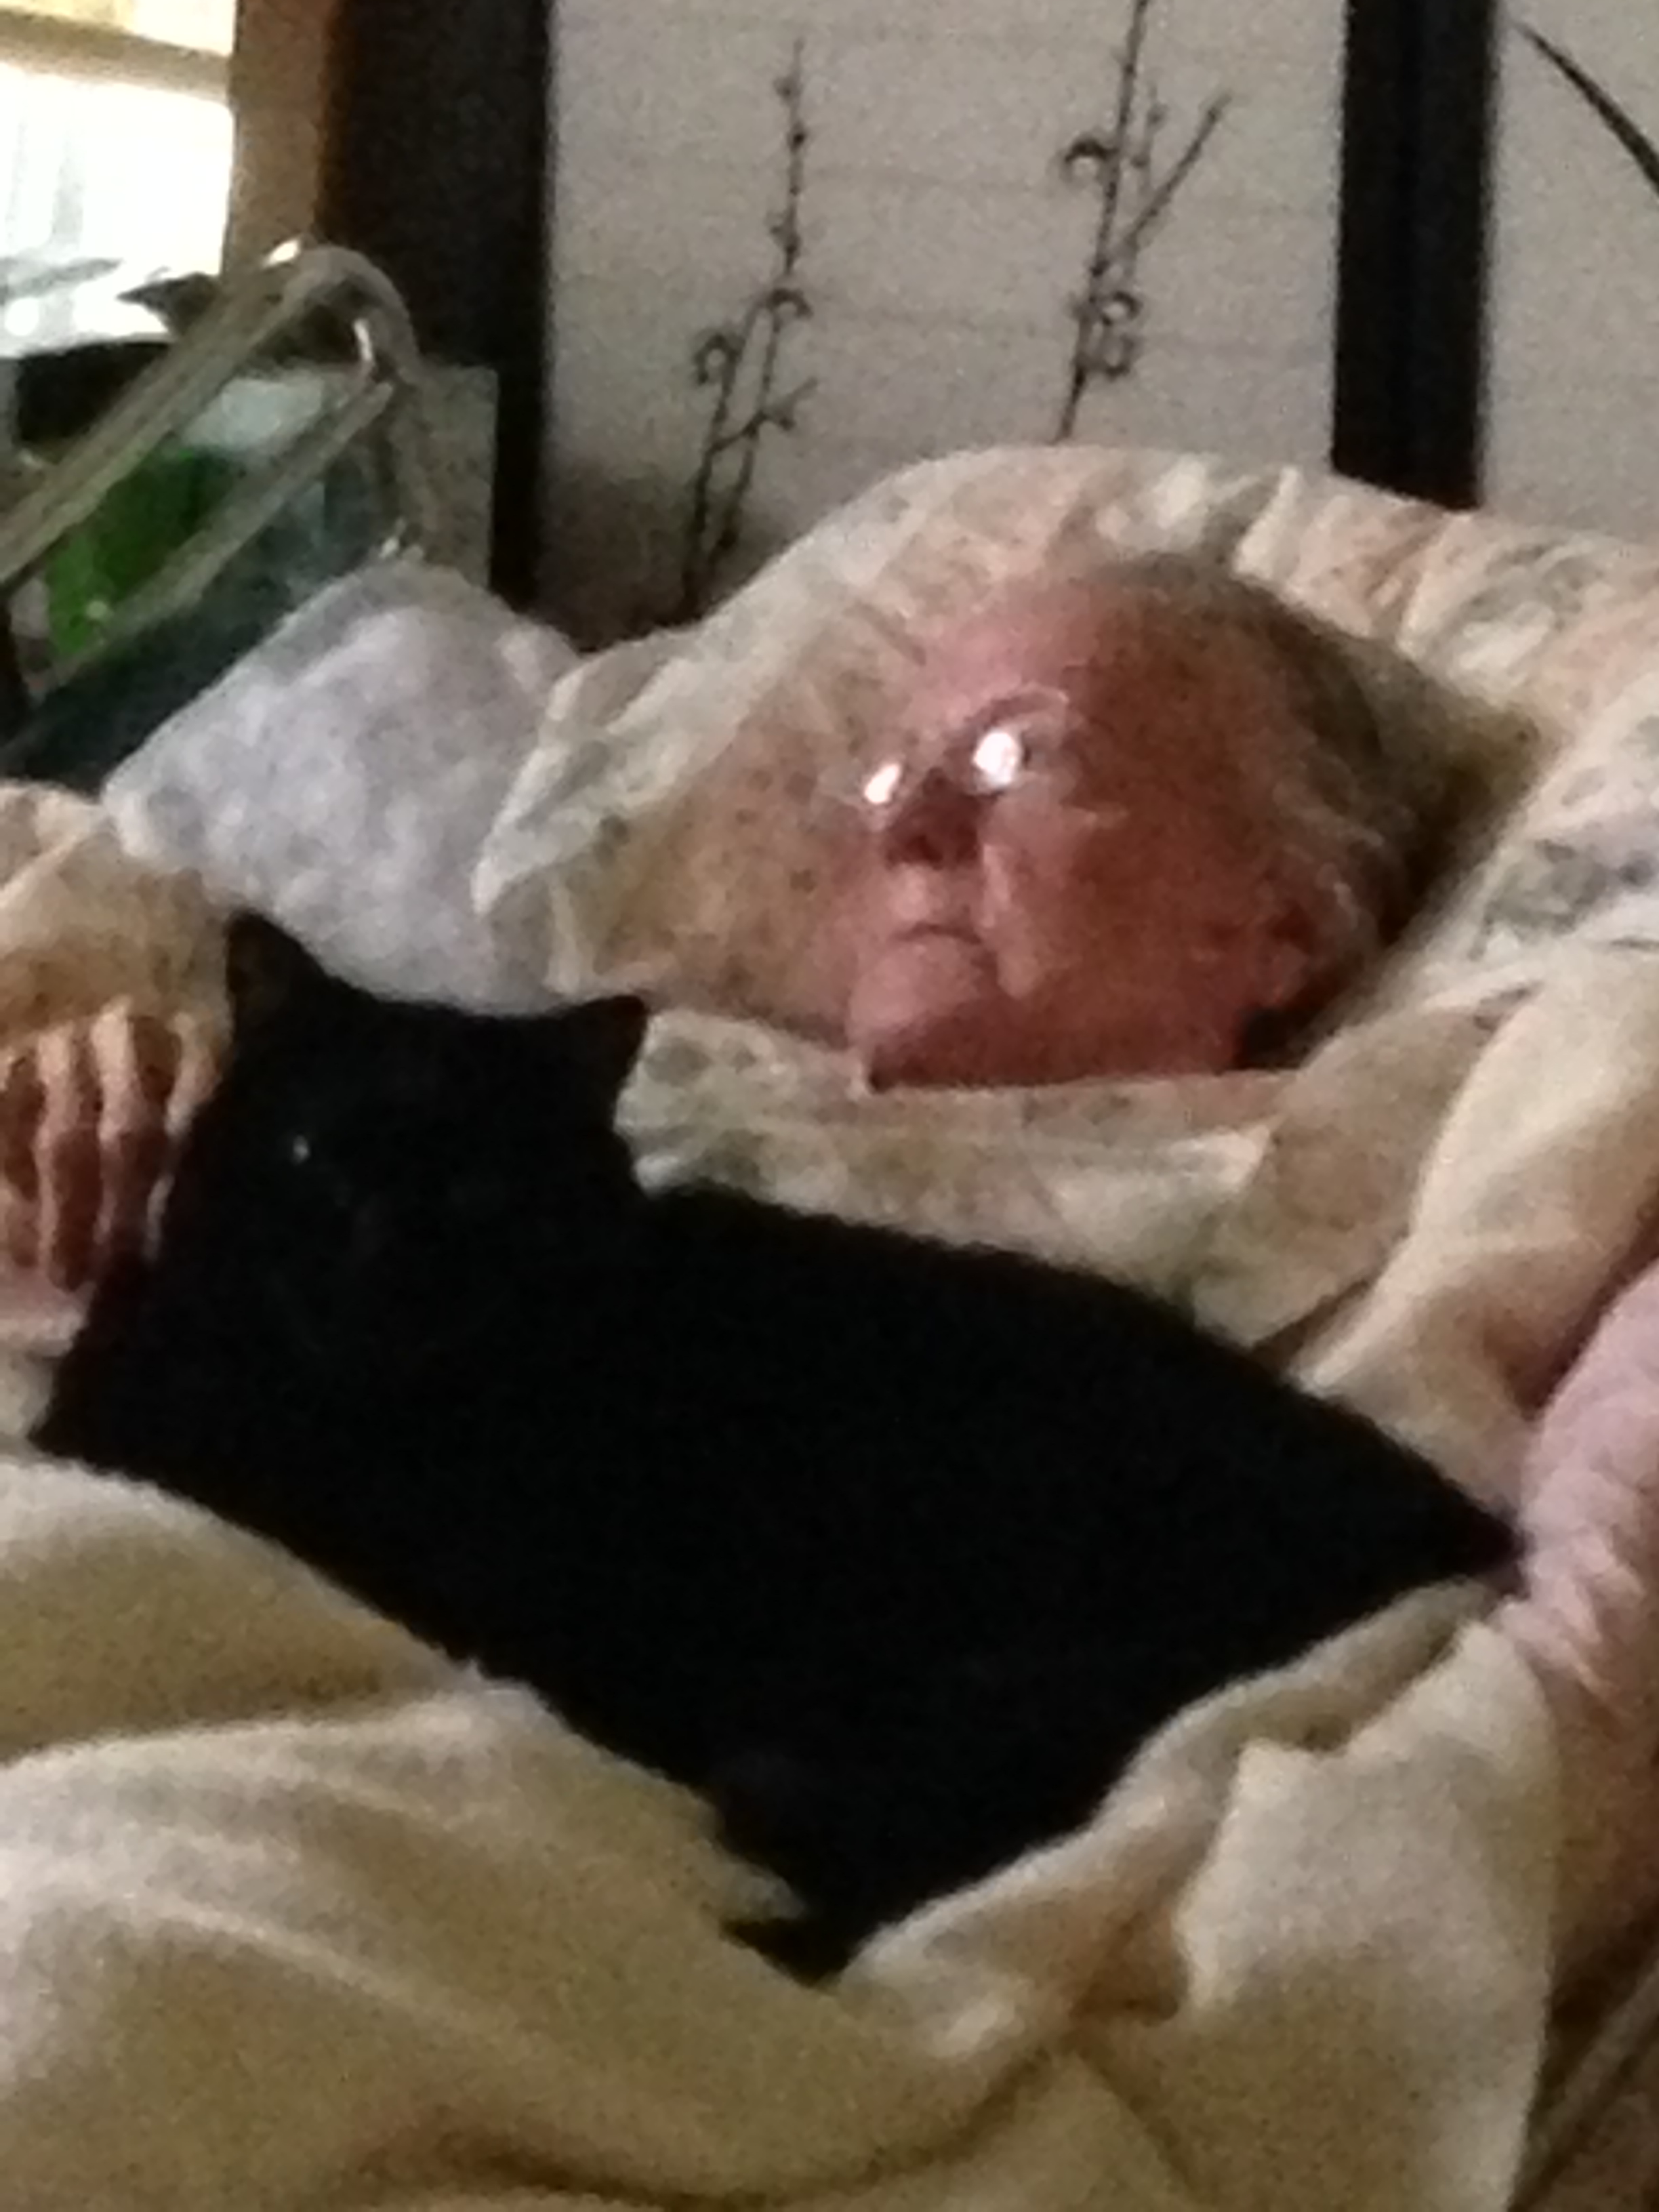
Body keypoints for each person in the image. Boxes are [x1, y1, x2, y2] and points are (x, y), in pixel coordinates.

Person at [5, 548, 1659, 1984]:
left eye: (1020, 753)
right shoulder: (603, 1045)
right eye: (888, 777)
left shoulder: (1375, 1162)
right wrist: (112, 1056)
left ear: (1286, 917)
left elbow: (1501, 1604)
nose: (915, 823)